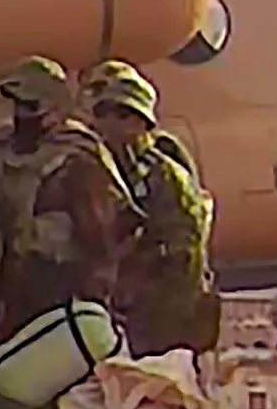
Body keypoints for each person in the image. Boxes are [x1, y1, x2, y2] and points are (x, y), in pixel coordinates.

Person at [0, 56, 139, 336]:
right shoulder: (0, 148)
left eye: (30, 105)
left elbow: (105, 237)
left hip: (59, 289)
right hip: (7, 287)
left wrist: (95, 301)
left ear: (54, 107)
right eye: (17, 105)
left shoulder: (77, 156)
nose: (21, 114)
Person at [91, 65, 215, 357]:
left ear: (139, 122)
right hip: (126, 309)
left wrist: (135, 283)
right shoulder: (107, 168)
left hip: (164, 315)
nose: (106, 124)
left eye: (119, 115)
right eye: (103, 114)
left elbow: (184, 254)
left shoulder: (167, 178)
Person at [78, 59, 201, 183]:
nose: (107, 123)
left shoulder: (165, 170)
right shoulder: (85, 162)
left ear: (142, 122)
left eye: (122, 115)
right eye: (101, 113)